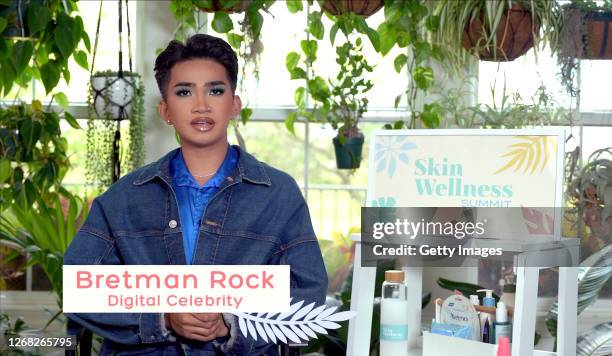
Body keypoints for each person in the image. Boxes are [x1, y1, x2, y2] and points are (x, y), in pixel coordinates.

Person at [64, 33, 328, 355]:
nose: (201, 105)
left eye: (215, 91)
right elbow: (77, 285)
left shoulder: (279, 194)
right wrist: (160, 317)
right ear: (166, 111)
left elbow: (309, 291)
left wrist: (233, 322)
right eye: (184, 91)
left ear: (234, 105)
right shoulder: (123, 198)